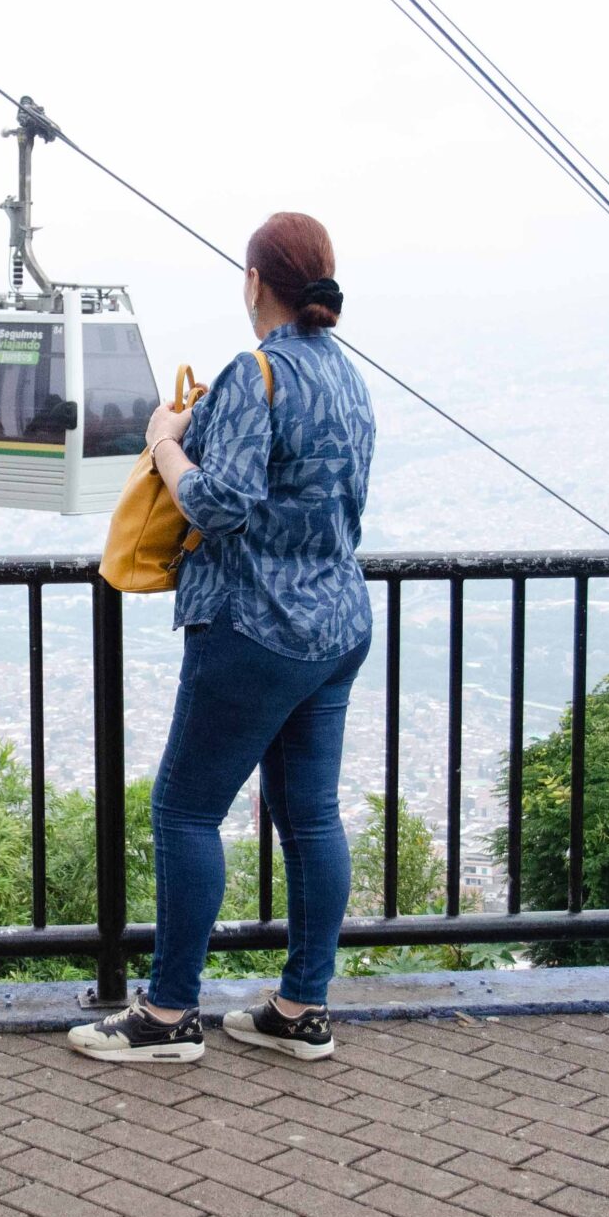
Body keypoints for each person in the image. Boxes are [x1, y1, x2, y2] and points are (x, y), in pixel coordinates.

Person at [68, 212, 376, 1066]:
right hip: (337, 620)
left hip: (255, 625)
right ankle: (302, 1006)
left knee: (186, 808)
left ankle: (167, 1017)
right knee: (309, 813)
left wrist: (166, 444)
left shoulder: (259, 373)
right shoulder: (347, 376)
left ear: (254, 282)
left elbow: (220, 505)